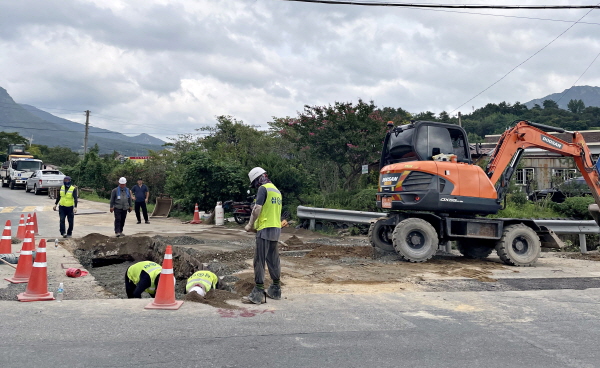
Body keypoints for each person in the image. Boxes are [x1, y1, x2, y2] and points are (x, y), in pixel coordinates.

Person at [242, 167, 282, 304]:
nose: (255, 186)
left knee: (259, 260)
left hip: (264, 229)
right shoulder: (276, 190)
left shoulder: (263, 189)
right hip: (276, 229)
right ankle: (276, 289)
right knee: (273, 259)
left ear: (257, 179)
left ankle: (258, 293)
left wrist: (250, 225)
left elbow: (257, 209)